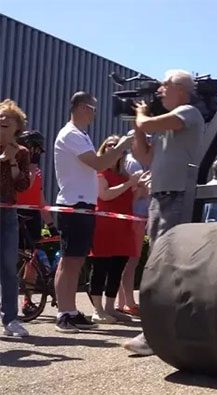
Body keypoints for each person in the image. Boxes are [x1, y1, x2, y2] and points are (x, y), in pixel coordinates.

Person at [124, 69, 205, 356]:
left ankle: (153, 334)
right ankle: (170, 331)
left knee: (165, 266)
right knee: (163, 265)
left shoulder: (189, 113)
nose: (159, 90)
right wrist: (138, 126)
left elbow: (148, 124)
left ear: (181, 89)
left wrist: (142, 117)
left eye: (164, 85)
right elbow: (144, 156)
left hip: (178, 197)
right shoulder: (168, 128)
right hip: (160, 199)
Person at [53, 91, 132, 333]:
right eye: (91, 107)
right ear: (79, 107)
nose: (94, 112)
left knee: (76, 261)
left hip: (83, 205)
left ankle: (71, 311)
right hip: (73, 205)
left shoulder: (82, 136)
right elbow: (100, 164)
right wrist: (122, 146)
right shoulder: (71, 134)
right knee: (68, 261)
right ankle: (63, 313)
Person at [88, 135, 142, 323]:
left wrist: (139, 186)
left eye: (118, 146)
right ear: (104, 149)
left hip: (122, 227)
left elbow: (130, 200)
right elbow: (105, 195)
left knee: (117, 268)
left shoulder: (124, 175)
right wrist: (129, 184)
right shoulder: (101, 173)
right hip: (104, 226)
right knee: (100, 267)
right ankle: (97, 309)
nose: (113, 148)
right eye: (110, 145)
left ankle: (110, 308)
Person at [0, 99, 31, 337]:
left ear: (17, 127)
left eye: (8, 119)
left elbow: (23, 184)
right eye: (0, 116)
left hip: (8, 213)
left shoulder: (22, 153)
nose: (2, 120)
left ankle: (10, 319)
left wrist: (11, 160)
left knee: (10, 267)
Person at [116, 130, 150, 317]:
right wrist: (145, 189)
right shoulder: (133, 163)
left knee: (129, 260)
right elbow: (134, 193)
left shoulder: (130, 162)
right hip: (135, 215)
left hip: (136, 215)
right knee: (131, 260)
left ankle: (124, 302)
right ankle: (128, 302)